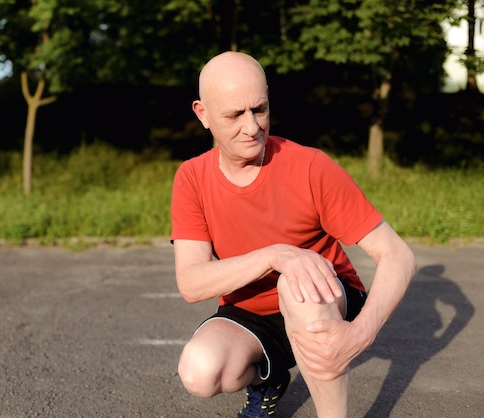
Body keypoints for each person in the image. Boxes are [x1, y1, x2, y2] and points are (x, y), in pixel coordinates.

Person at [169, 51, 417, 418]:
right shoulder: (191, 178)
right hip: (251, 312)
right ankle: (268, 378)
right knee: (200, 371)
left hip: (323, 301)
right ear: (202, 115)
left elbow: (399, 255)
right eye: (235, 115)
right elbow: (192, 282)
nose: (252, 127)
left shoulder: (310, 166)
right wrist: (275, 255)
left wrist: (362, 332)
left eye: (260, 109)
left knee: (297, 288)